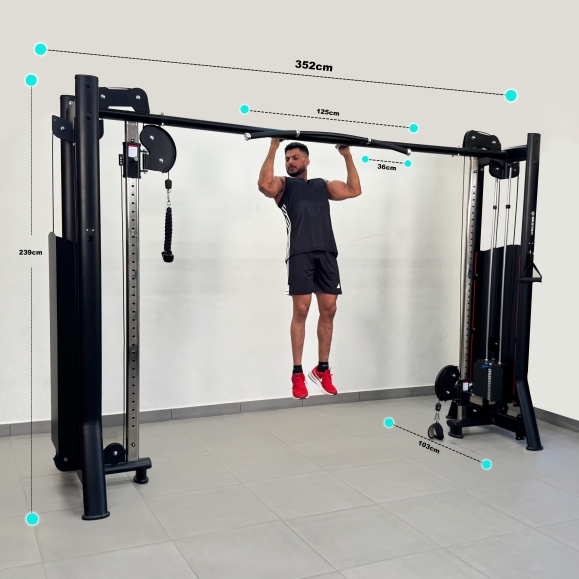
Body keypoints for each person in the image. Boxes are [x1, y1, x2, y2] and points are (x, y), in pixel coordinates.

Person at [257, 139, 362, 399]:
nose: (290, 162)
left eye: (295, 158)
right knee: (302, 310)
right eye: (287, 159)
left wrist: (347, 155)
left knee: (330, 310)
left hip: (327, 252)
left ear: (307, 161)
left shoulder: (321, 185)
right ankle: (297, 373)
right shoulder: (284, 185)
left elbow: (354, 190)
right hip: (300, 253)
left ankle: (322, 369)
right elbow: (264, 185)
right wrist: (274, 146)